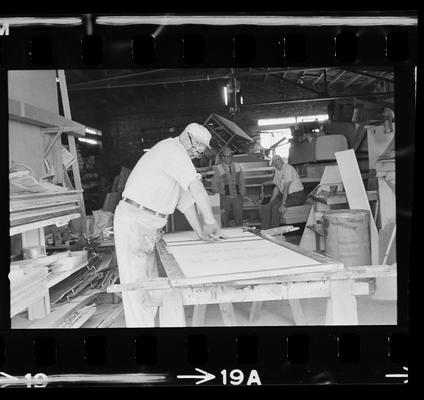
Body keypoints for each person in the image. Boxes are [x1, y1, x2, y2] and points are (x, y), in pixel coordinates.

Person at [113, 123, 221, 327]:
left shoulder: (178, 160)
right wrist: (209, 221)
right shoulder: (172, 150)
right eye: (197, 147)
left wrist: (200, 232)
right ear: (186, 137)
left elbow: (186, 201)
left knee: (150, 282)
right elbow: (196, 187)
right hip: (135, 220)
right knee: (137, 285)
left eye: (201, 150)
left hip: (148, 224)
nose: (198, 153)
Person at [259, 155, 306, 230]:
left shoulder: (288, 168)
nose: (275, 163)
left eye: (277, 160)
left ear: (281, 160)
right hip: (285, 195)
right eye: (274, 162)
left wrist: (283, 204)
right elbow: (276, 188)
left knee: (276, 208)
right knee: (266, 207)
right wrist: (270, 202)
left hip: (296, 196)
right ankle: (264, 231)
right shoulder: (277, 171)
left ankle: (273, 232)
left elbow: (286, 188)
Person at [211, 147, 246, 227]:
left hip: (237, 197)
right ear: (222, 157)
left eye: (230, 156)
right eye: (227, 156)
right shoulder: (219, 168)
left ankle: (239, 234)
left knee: (239, 217)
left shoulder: (237, 166)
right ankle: (225, 234)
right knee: (223, 218)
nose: (229, 158)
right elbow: (214, 184)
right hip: (224, 198)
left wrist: (242, 192)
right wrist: (218, 195)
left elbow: (242, 181)